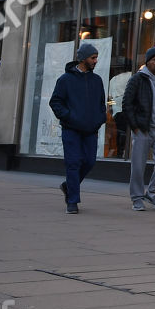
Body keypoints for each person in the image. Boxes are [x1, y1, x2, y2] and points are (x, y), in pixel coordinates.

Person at [49, 42, 106, 214]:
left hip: (90, 130)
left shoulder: (97, 80)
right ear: (82, 59)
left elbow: (101, 104)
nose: (96, 61)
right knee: (73, 163)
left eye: (96, 57)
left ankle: (68, 186)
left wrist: (99, 119)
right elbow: (55, 102)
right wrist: (69, 117)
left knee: (89, 162)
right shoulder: (65, 80)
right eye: (93, 57)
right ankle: (72, 201)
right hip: (71, 130)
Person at [122, 47, 155, 210]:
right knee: (138, 165)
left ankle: (151, 193)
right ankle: (137, 197)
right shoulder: (137, 79)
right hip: (143, 128)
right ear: (147, 62)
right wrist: (135, 127)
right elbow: (127, 104)